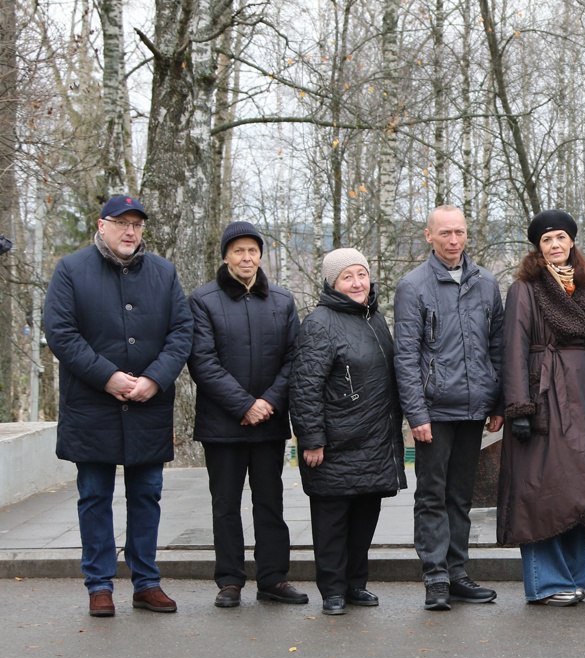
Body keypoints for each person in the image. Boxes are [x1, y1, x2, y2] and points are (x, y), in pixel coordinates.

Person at [43, 194, 193, 617]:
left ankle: (147, 582)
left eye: (137, 224)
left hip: (148, 404)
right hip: (92, 406)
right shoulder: (71, 270)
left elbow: (182, 332)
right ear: (101, 224)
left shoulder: (163, 273)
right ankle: (99, 584)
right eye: (122, 223)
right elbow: (61, 333)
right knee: (94, 496)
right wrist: (107, 376)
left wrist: (155, 378)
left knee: (147, 495)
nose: (130, 231)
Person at [188, 221, 307, 609]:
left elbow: (294, 359)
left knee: (270, 502)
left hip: (269, 423)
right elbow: (202, 363)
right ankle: (230, 580)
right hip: (223, 424)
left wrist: (267, 402)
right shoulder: (203, 301)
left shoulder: (282, 301)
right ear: (225, 256)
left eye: (252, 250)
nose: (246, 257)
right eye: (238, 250)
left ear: (260, 255)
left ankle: (273, 578)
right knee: (225, 505)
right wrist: (244, 404)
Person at [394, 205, 504, 611]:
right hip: (435, 412)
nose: (453, 240)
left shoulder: (486, 283)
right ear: (429, 236)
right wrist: (416, 414)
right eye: (445, 233)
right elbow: (406, 356)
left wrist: (498, 402)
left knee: (461, 497)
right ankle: (435, 577)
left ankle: (458, 574)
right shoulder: (413, 286)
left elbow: (497, 345)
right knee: (432, 496)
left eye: (459, 232)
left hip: (475, 409)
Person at [497, 210, 585, 606]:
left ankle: (574, 578)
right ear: (538, 248)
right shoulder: (524, 289)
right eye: (547, 240)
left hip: (581, 395)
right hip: (543, 398)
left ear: (572, 241)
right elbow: (513, 348)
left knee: (580, 488)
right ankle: (546, 583)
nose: (555, 245)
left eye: (561, 237)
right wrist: (518, 408)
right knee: (543, 490)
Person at [291, 248, 406, 616]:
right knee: (332, 523)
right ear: (332, 283)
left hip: (374, 440)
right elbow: (305, 385)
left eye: (362, 274)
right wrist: (311, 438)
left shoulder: (376, 319)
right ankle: (333, 589)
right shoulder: (320, 323)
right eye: (348, 277)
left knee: (364, 519)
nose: (357, 283)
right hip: (336, 445)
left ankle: (356, 583)